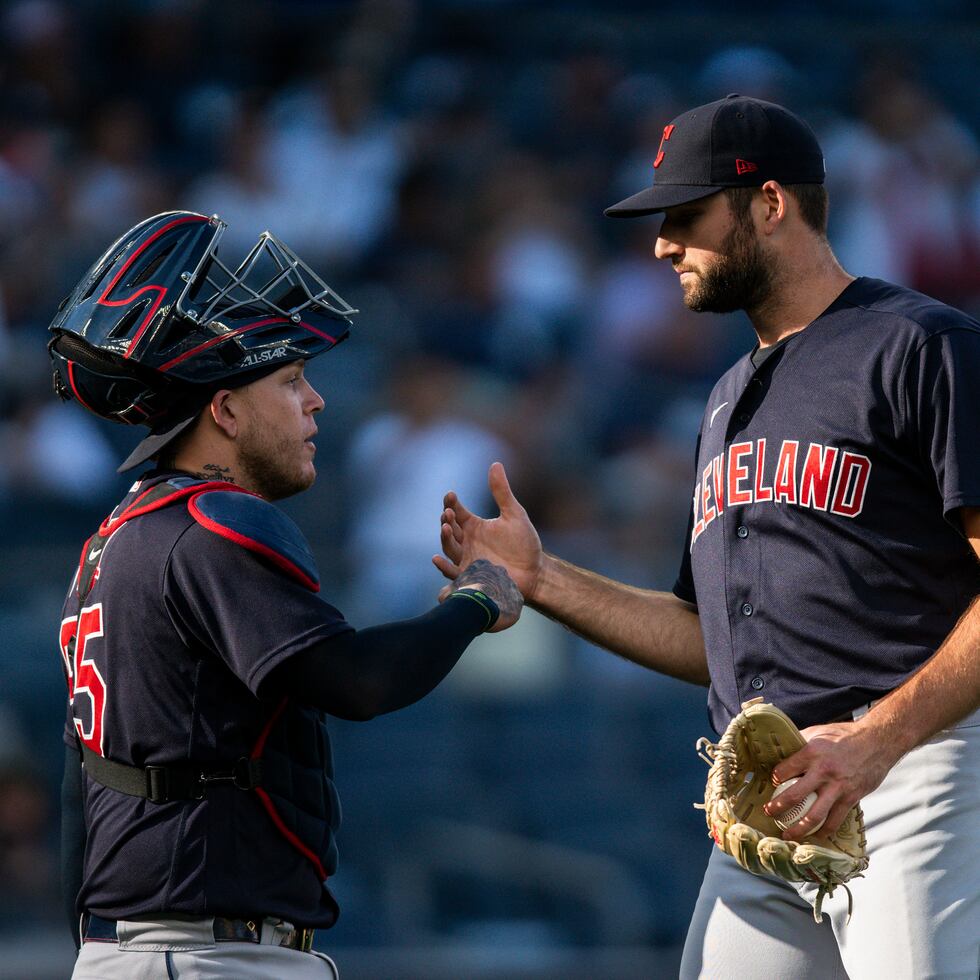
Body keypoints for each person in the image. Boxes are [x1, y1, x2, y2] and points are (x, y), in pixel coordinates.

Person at [434, 95, 980, 979]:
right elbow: (706, 641)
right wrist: (544, 582)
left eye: (686, 217)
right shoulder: (725, 399)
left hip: (911, 769)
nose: (661, 244)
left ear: (771, 204)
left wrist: (880, 738)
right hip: (767, 796)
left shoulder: (921, 347)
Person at [49, 210, 522, 979]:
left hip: (137, 947)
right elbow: (359, 682)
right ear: (225, 410)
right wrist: (477, 600)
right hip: (210, 955)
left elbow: (79, 791)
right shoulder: (212, 521)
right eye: (291, 379)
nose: (316, 403)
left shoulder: (113, 539)